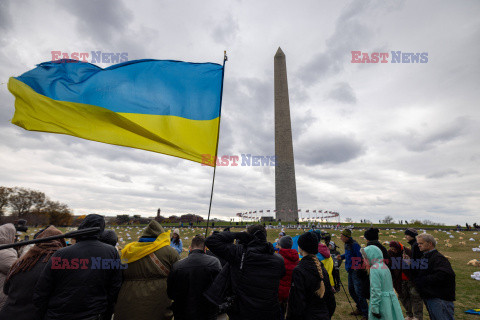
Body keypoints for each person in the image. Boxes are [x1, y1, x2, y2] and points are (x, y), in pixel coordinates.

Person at [33, 214, 122, 320]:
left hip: (59, 314)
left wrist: (43, 314)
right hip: (93, 314)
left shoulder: (61, 253)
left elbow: (42, 289)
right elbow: (115, 288)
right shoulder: (111, 252)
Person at [204, 225, 285, 320]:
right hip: (269, 311)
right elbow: (281, 274)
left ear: (248, 237)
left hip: (243, 311)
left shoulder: (239, 253)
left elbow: (210, 240)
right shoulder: (279, 260)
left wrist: (237, 235)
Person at [114, 220, 179, 320]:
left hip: (127, 301)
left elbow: (118, 275)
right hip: (157, 302)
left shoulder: (129, 251)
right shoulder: (169, 252)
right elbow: (178, 275)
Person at [0, 226, 66, 320]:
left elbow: (6, 289)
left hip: (8, 313)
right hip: (31, 315)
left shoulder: (21, 261)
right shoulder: (57, 263)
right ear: (62, 242)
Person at [167, 235, 221, 320]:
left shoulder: (177, 266)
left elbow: (170, 293)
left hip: (182, 313)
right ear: (205, 249)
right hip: (207, 313)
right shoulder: (214, 263)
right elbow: (219, 289)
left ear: (190, 248)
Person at [286, 232, 336, 320]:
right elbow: (331, 300)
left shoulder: (299, 270)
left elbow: (296, 303)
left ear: (301, 248)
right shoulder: (321, 267)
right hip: (323, 315)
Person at [414, 234, 455, 320]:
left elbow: (445, 275)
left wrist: (422, 280)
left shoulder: (438, 258)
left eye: (421, 243)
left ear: (429, 244)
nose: (418, 245)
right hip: (431, 296)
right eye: (418, 243)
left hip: (439, 298)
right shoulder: (426, 256)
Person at [360, 245, 404, 320]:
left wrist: (374, 308)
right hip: (390, 300)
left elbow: (376, 290)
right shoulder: (384, 266)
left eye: (365, 258)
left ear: (371, 256)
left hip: (382, 302)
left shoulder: (374, 268)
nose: (364, 260)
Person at [337, 229, 368, 319]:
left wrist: (356, 268)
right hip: (350, 271)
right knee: (351, 290)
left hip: (355, 271)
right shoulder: (347, 244)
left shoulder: (354, 245)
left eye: (342, 236)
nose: (341, 238)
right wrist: (342, 256)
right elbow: (348, 254)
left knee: (359, 292)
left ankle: (366, 313)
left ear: (347, 237)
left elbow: (360, 257)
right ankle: (360, 308)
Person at [388, 241, 422, 320]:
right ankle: (409, 315)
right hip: (398, 280)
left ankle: (417, 317)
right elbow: (390, 265)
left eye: (394, 249)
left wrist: (407, 261)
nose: (393, 250)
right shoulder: (389, 253)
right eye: (392, 249)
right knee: (403, 297)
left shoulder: (407, 252)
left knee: (415, 298)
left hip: (409, 279)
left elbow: (414, 264)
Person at [277, 235, 299, 318]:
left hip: (280, 292)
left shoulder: (279, 258)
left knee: (280, 313)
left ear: (281, 245)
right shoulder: (296, 257)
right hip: (291, 292)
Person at [0, 223, 18, 309]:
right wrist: (27, 251)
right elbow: (19, 270)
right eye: (13, 235)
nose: (14, 238)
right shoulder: (4, 253)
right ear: (8, 236)